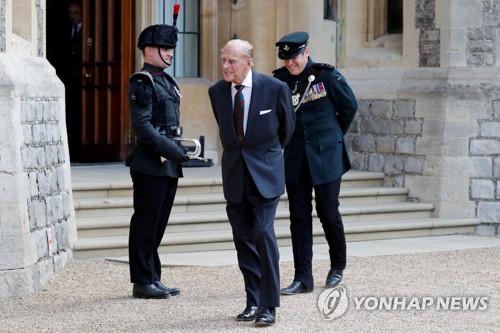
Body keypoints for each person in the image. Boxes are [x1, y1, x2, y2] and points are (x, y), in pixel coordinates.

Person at [208, 39, 295, 326]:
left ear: (249, 61)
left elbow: (286, 131)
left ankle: (269, 305)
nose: (226, 66)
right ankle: (253, 300)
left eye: (232, 61)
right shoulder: (216, 92)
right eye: (224, 60)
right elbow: (228, 133)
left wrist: (266, 158)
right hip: (235, 178)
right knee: (243, 241)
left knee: (263, 233)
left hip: (265, 176)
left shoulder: (275, 88)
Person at [273, 31, 358, 295]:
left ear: (306, 52)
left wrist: (332, 138)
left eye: (295, 56)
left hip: (326, 157)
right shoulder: (280, 81)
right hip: (296, 158)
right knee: (298, 218)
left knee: (328, 212)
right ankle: (303, 278)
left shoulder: (327, 77)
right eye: (286, 58)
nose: (291, 63)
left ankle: (337, 264)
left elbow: (349, 108)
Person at [125, 24, 190, 299]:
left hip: (168, 162)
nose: (170, 54)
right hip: (151, 163)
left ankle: (153, 276)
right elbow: (143, 127)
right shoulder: (143, 81)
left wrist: (179, 151)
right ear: (149, 50)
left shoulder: (166, 80)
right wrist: (171, 150)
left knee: (158, 224)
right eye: (165, 49)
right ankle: (142, 281)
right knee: (145, 223)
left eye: (172, 49)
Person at [62, 1, 83, 161]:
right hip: (70, 82)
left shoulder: (89, 30)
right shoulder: (67, 31)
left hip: (85, 83)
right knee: (70, 115)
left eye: (76, 13)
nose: (73, 16)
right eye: (71, 14)